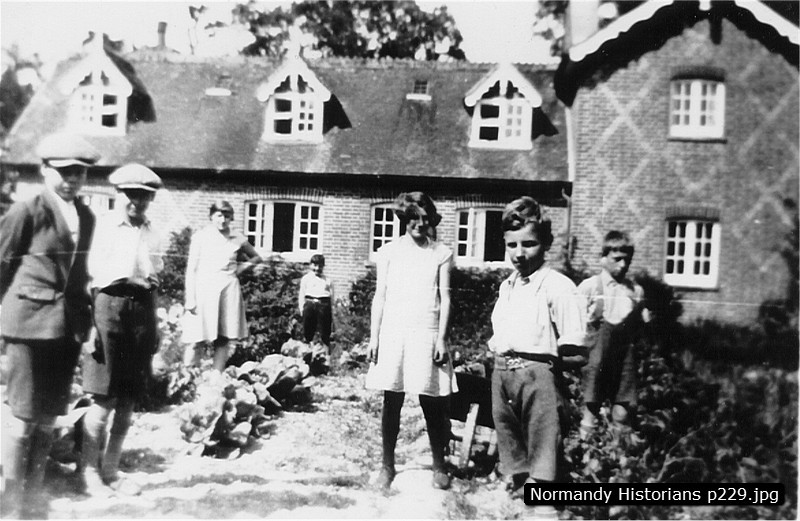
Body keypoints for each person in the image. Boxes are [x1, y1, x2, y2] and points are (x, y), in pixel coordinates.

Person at [0, 133, 99, 517]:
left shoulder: (87, 216)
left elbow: (80, 273)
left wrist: (86, 323)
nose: (73, 179)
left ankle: (34, 498)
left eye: (80, 173)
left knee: (48, 419)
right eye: (65, 171)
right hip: (27, 325)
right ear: (45, 170)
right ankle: (11, 503)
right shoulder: (27, 210)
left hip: (66, 327)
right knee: (23, 417)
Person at [487, 196, 586, 520]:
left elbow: (576, 349)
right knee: (509, 432)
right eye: (512, 245)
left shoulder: (557, 286)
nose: (519, 253)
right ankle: (522, 486)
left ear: (546, 243)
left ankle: (545, 504)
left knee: (543, 435)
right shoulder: (508, 286)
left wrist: (549, 368)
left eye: (529, 244)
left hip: (537, 373)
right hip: (503, 371)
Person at [80, 164, 164, 497]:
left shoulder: (153, 231)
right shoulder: (103, 226)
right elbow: (89, 279)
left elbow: (154, 279)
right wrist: (90, 327)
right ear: (119, 194)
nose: (137, 202)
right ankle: (88, 472)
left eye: (144, 196)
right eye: (131, 195)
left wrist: (155, 323)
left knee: (128, 397)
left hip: (141, 311)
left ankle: (111, 470)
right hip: (108, 307)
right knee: (104, 395)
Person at [365, 191, 455, 491]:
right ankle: (387, 465)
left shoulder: (440, 253)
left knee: (432, 401)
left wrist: (441, 339)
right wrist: (374, 337)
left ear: (431, 221)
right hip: (394, 332)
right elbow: (380, 296)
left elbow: (446, 298)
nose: (419, 224)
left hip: (427, 332)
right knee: (392, 400)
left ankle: (439, 465)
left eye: (424, 219)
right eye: (413, 218)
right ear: (404, 219)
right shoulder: (388, 252)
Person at [578, 230, 649, 436]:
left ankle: (618, 450)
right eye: (617, 259)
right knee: (591, 409)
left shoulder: (635, 291)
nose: (623, 265)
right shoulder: (590, 287)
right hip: (597, 356)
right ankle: (585, 446)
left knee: (622, 412)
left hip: (624, 358)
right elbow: (575, 322)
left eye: (627, 260)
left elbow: (641, 325)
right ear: (603, 258)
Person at [183, 200, 263, 372]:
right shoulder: (201, 237)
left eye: (227, 216)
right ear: (211, 216)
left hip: (228, 288)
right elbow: (191, 269)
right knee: (196, 337)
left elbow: (256, 257)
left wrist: (240, 269)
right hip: (204, 288)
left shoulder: (237, 238)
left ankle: (216, 376)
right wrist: (190, 299)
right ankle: (187, 376)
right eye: (219, 215)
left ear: (231, 218)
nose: (223, 220)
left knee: (223, 337)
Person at [298, 254, 334, 346]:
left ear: (323, 266)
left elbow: (332, 297)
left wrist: (332, 311)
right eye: (315, 265)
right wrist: (301, 308)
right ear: (310, 265)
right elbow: (302, 294)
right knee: (308, 330)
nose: (317, 268)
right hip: (310, 304)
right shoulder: (306, 279)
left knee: (325, 331)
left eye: (320, 266)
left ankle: (325, 348)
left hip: (324, 305)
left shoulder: (327, 280)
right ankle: (307, 347)